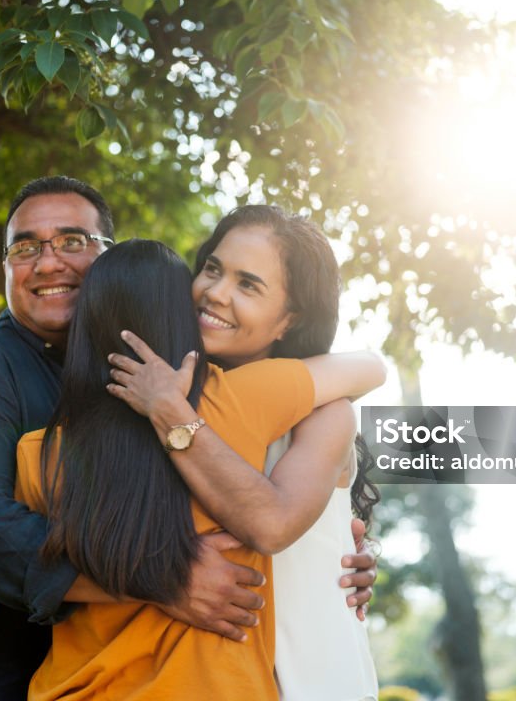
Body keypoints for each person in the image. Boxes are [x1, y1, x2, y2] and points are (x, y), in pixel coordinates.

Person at [0, 239, 386, 699]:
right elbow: (369, 368)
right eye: (213, 272)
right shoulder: (242, 400)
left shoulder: (39, 455)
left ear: (84, 328)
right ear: (186, 319)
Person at [0, 177, 279, 700]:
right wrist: (159, 579)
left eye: (71, 241)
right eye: (25, 248)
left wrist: (342, 552)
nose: (46, 262)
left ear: (109, 258)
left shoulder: (165, 388)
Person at [107, 205, 380, 700]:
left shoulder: (323, 413)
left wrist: (172, 416)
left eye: (248, 285)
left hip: (309, 683)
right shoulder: (161, 393)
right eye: (213, 268)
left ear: (289, 320)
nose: (215, 292)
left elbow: (273, 526)